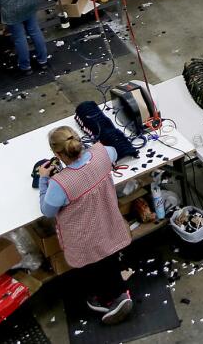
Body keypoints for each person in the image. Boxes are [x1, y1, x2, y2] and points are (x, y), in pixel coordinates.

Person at [37, 125, 134, 325]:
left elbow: (47, 211)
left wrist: (43, 179)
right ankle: (119, 291)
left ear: (57, 154)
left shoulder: (60, 184)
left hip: (85, 237)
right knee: (109, 259)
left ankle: (109, 301)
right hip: (108, 223)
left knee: (93, 268)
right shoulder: (102, 153)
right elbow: (114, 152)